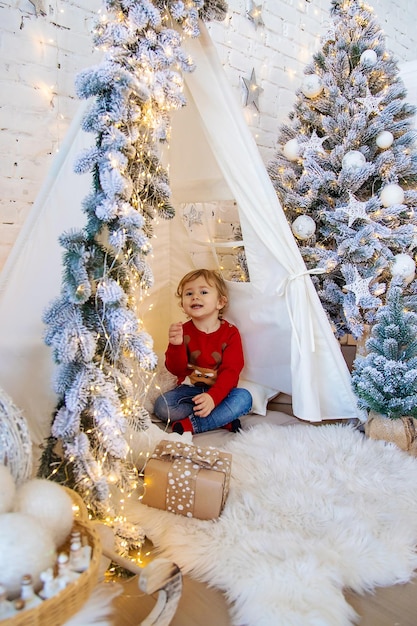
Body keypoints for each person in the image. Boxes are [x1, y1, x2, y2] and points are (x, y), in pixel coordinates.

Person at [154, 269, 252, 435]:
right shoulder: (182, 330)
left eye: (203, 292)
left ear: (220, 302)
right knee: (162, 406)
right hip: (189, 392)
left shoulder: (230, 333)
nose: (195, 297)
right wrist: (176, 345)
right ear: (183, 304)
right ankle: (221, 419)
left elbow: (231, 372)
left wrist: (213, 398)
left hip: (221, 393)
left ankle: (191, 425)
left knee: (244, 398)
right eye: (189, 293)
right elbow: (175, 369)